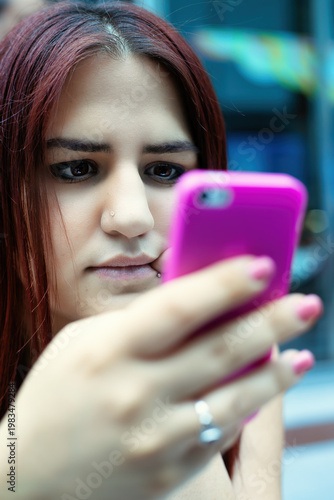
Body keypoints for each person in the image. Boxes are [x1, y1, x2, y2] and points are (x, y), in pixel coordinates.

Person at [0, 2, 323, 499]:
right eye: (76, 169)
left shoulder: (222, 396)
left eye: (164, 171)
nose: (133, 217)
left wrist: (256, 466)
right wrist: (17, 472)